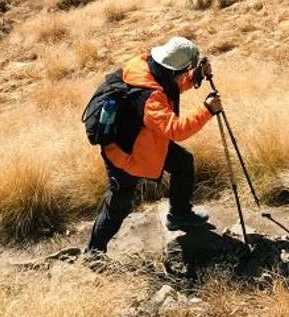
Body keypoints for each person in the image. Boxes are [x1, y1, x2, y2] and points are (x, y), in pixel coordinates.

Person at [87, 36, 223, 255]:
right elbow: (176, 130)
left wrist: (195, 76)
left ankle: (179, 214)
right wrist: (206, 110)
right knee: (118, 206)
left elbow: (171, 85)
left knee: (182, 162)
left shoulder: (146, 65)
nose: (183, 76)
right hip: (124, 154)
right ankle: (94, 253)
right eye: (184, 72)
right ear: (173, 70)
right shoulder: (150, 98)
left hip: (146, 140)